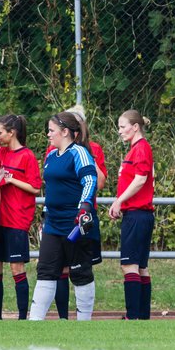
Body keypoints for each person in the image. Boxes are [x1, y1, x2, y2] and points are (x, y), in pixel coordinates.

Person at [30, 112, 99, 321]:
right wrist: (46, 216)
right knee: (45, 270)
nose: (48, 135)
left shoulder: (79, 152)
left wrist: (84, 207)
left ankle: (84, 321)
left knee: (80, 273)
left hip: (74, 223)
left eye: (51, 130)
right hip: (53, 223)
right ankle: (34, 322)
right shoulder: (51, 155)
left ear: (65, 132)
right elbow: (50, 188)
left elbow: (89, 180)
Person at [47, 105, 109, 319]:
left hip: (81, 216)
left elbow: (98, 182)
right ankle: (63, 316)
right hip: (57, 218)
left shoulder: (91, 149)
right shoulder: (53, 151)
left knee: (80, 269)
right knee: (56, 269)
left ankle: (83, 316)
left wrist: (85, 155)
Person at [109, 110, 155, 320]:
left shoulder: (141, 149)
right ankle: (142, 317)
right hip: (138, 214)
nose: (120, 131)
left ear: (135, 127)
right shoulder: (135, 149)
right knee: (140, 266)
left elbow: (140, 179)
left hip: (137, 214)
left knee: (130, 265)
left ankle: (133, 316)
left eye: (122, 126)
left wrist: (119, 200)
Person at [0, 114, 41, 319]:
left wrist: (12, 179)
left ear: (11, 133)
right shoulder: (0, 153)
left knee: (16, 268)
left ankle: (23, 316)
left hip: (17, 220)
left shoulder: (27, 156)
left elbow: (35, 188)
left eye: (0, 132)